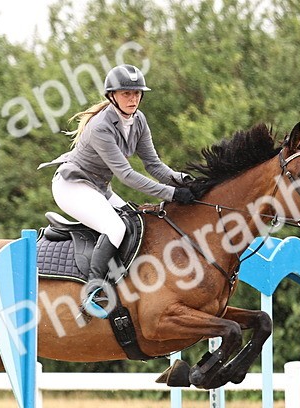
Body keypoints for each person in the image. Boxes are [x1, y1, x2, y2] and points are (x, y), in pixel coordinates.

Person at [40, 64, 196, 315]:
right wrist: (172, 194)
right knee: (116, 227)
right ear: (112, 96)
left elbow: (153, 165)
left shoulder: (139, 121)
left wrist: (183, 180)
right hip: (72, 186)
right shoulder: (101, 126)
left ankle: (125, 281)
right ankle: (93, 290)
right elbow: (126, 175)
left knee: (137, 222)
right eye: (126, 93)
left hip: (99, 187)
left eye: (136, 94)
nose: (133, 99)